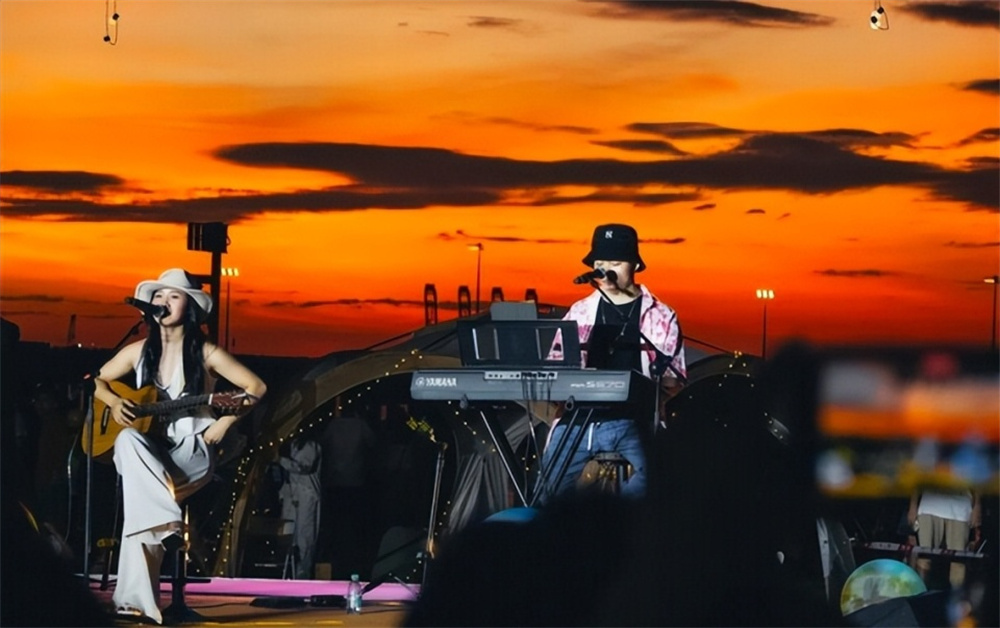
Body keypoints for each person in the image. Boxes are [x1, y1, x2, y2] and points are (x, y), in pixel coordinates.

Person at [93, 268, 265, 623]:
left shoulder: (206, 352)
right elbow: (97, 380)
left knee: (141, 507)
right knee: (127, 439)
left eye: (174, 296)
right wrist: (113, 402)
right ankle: (163, 538)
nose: (164, 301)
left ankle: (135, 597)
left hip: (192, 448)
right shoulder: (137, 351)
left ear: (190, 308)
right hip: (147, 451)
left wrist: (225, 421)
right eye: (159, 296)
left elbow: (256, 387)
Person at [542, 223, 685, 502]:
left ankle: (617, 518)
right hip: (579, 419)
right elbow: (555, 366)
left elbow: (674, 379)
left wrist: (655, 386)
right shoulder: (580, 312)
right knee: (548, 492)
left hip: (634, 419)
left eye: (616, 264)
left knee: (662, 475)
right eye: (600, 264)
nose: (606, 270)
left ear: (635, 265)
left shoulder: (660, 315)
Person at [908, 488, 981, 590]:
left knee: (958, 563)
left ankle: (956, 597)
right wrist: (913, 505)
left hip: (960, 508)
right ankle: (920, 594)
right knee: (923, 559)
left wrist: (977, 505)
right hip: (929, 506)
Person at [278, 436, 322, 579]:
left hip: (306, 495)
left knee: (304, 536)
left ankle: (303, 573)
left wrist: (281, 460)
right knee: (287, 534)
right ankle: (287, 571)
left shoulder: (311, 445)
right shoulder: (288, 445)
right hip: (290, 494)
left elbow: (304, 467)